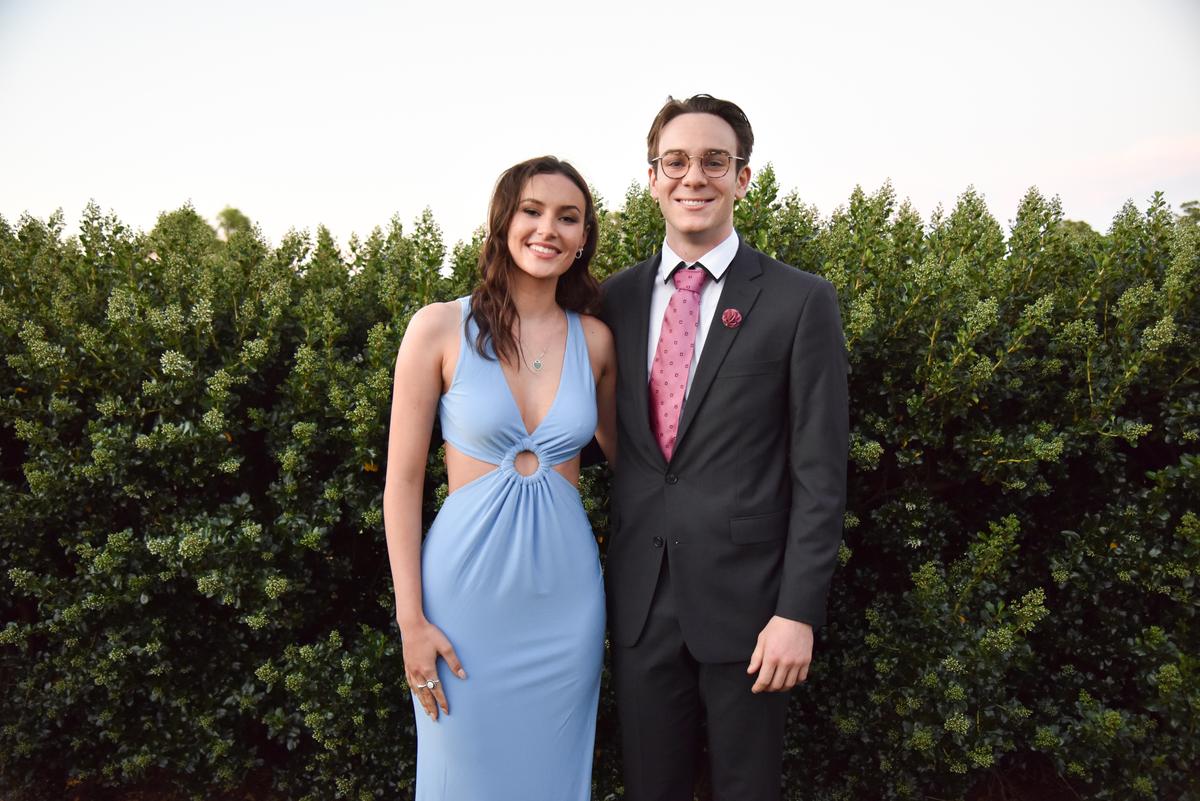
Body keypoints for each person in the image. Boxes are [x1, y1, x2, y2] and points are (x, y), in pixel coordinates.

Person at [599, 95, 849, 801]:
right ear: (652, 177)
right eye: (676, 161)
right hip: (640, 605)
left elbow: (821, 475)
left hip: (754, 610)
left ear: (743, 178)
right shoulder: (609, 303)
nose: (694, 177)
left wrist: (797, 612)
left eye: (715, 161)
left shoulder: (800, 300)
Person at [382, 155, 617, 801]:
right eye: (532, 211)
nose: (548, 229)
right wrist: (411, 620)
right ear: (503, 222)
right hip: (463, 604)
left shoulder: (597, 342)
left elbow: (641, 464)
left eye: (568, 217)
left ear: (583, 238)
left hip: (566, 605)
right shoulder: (437, 328)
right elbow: (402, 483)